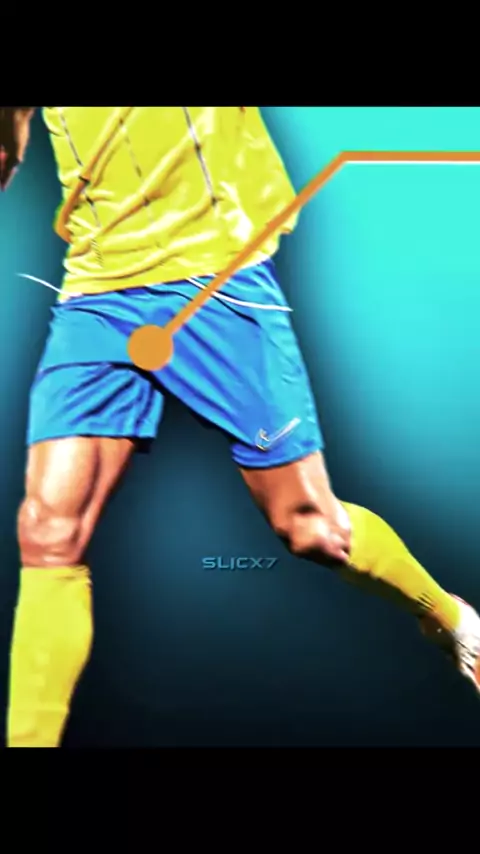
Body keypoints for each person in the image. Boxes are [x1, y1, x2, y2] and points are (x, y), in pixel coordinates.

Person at [1, 106, 479, 749]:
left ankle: (451, 621)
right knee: (48, 531)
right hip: (97, 290)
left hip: (216, 274)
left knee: (312, 530)